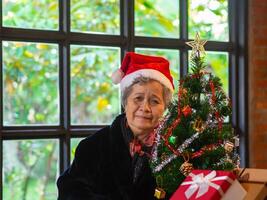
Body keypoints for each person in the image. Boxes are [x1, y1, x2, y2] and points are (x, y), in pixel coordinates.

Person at [57, 52, 174, 200]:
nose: (145, 108)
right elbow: (70, 193)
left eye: (154, 101)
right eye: (138, 98)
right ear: (125, 103)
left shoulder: (176, 150)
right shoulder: (92, 147)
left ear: (165, 107)